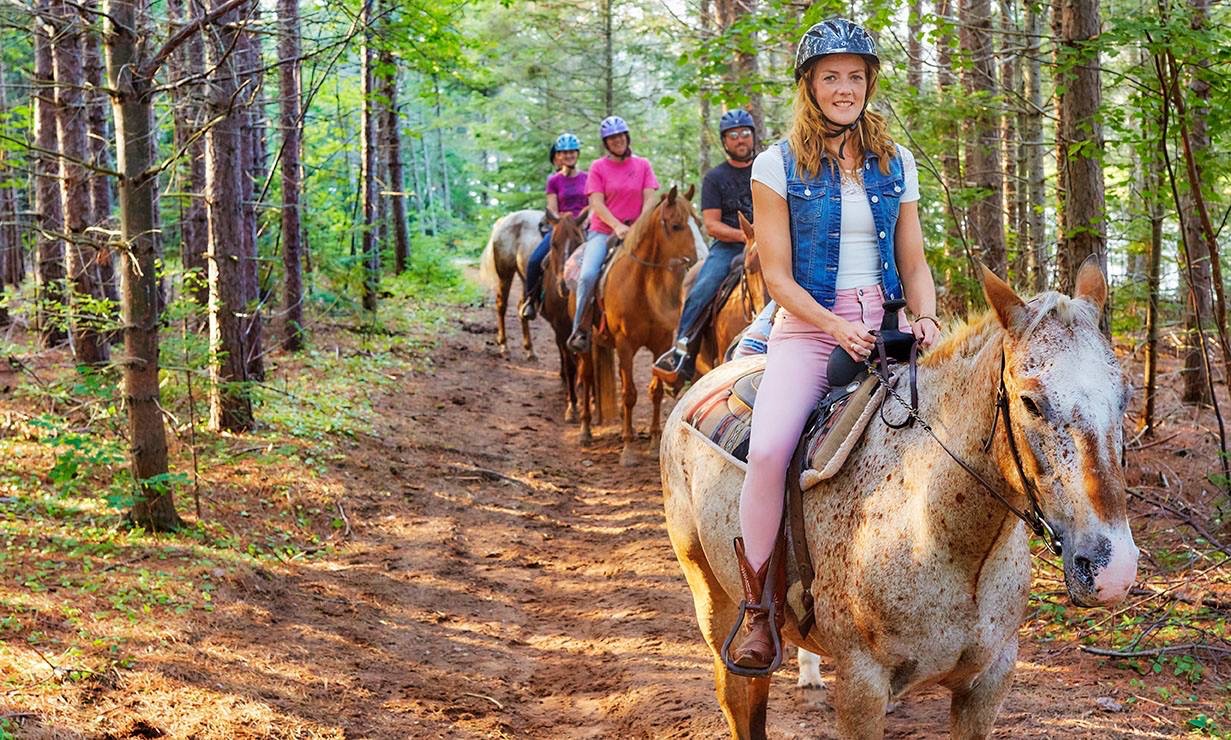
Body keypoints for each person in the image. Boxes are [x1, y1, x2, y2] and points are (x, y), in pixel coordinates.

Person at [726, 18, 942, 672]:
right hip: (809, 329)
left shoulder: (894, 161)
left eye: (854, 77)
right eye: (830, 77)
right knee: (768, 452)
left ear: (868, 83)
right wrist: (832, 325)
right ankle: (759, 610)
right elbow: (776, 277)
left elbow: (914, 261)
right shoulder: (776, 163)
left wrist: (926, 316)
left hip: (888, 325)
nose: (844, 88)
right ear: (809, 86)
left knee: (949, 437)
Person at [651, 109, 757, 386]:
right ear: (725, 142)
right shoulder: (715, 178)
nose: (740, 139)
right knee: (701, 290)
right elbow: (711, 225)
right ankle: (682, 354)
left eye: (745, 133)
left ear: (753, 136)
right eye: (733, 135)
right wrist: (745, 236)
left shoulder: (767, 167)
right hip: (729, 247)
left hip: (769, 244)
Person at [566, 116, 660, 353]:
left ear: (627, 137)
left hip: (637, 231)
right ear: (606, 143)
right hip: (604, 232)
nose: (617, 141)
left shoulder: (643, 165)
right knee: (588, 275)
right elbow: (597, 204)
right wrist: (617, 226)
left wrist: (638, 226)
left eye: (620, 136)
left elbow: (650, 198)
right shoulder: (598, 167)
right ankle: (580, 329)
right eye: (611, 138)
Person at [521, 133, 588, 320]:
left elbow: (592, 203)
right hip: (560, 227)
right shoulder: (554, 180)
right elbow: (552, 207)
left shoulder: (588, 178)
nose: (569, 155)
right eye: (564, 153)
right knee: (535, 260)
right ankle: (531, 299)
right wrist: (560, 222)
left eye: (572, 152)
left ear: (577, 154)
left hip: (582, 226)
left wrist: (584, 219)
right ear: (558, 156)